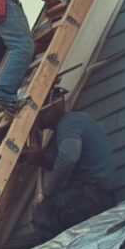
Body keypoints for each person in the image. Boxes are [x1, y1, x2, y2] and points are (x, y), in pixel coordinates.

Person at [24, 93, 116, 241]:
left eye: (41, 112)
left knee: (44, 212)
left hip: (91, 194)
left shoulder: (71, 121)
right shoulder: (64, 129)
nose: (37, 118)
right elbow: (63, 162)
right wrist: (40, 159)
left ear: (55, 105)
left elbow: (68, 159)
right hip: (93, 194)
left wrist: (48, 192)